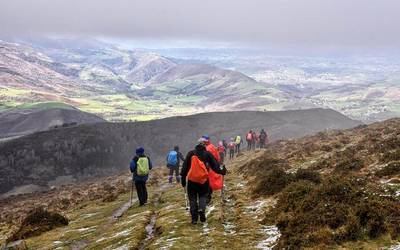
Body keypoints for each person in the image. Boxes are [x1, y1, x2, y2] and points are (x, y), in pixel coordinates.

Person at [180, 138, 227, 224]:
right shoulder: (207, 154)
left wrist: (183, 180)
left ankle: (194, 219)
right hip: (204, 180)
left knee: (192, 198)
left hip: (192, 180)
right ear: (204, 145)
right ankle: (201, 209)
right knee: (202, 196)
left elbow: (185, 167)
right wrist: (222, 171)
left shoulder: (191, 153)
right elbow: (215, 166)